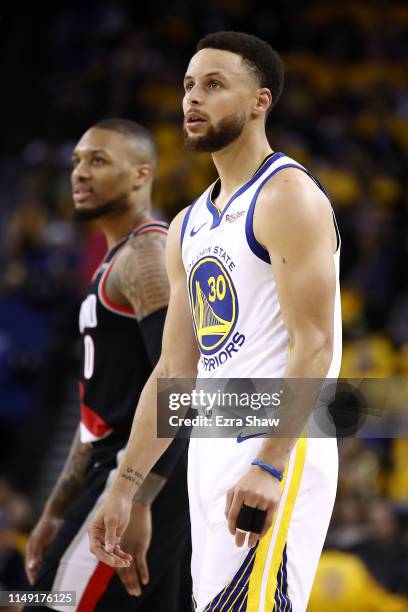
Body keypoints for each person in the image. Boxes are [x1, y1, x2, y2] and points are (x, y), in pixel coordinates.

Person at [88, 32, 342, 612]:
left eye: (213, 84)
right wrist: (124, 487)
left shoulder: (287, 197)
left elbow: (316, 346)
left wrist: (268, 462)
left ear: (260, 101)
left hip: (277, 446)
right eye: (186, 86)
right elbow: (175, 370)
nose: (192, 99)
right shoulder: (188, 224)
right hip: (211, 452)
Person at [24, 118, 190, 612]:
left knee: (45, 603)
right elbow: (96, 414)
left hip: (137, 474)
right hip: (119, 472)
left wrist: (138, 497)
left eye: (98, 160)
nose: (79, 173)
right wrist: (56, 510)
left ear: (141, 174)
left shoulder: (147, 254)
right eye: (76, 161)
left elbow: (182, 384)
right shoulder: (117, 258)